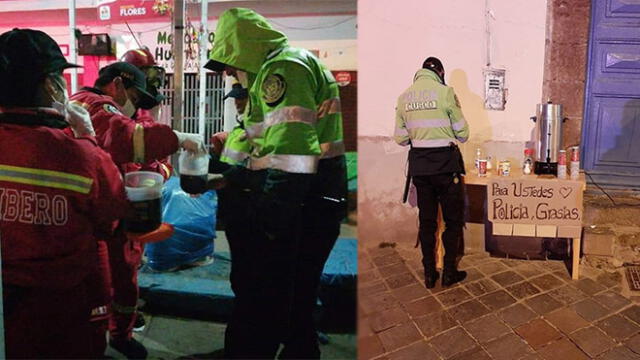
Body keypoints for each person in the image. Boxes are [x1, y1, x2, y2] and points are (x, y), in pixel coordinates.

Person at [205, 8, 347, 359]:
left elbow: (292, 155)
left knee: (265, 298)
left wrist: (268, 223)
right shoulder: (275, 71)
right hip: (310, 200)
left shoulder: (282, 69)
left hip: (300, 204)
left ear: (242, 51)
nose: (226, 72)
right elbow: (269, 145)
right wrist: (228, 172)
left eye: (226, 61)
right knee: (294, 301)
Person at [0, 28, 128, 358]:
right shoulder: (79, 154)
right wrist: (88, 137)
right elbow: (111, 214)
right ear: (47, 84)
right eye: (58, 77)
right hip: (67, 305)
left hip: (7, 307)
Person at [70, 61, 205, 358]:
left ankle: (116, 334)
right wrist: (179, 138)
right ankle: (113, 336)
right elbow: (124, 139)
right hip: (104, 215)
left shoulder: (90, 107)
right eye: (134, 97)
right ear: (117, 84)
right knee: (109, 281)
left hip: (104, 211)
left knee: (117, 279)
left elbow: (129, 155)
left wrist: (157, 169)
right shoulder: (95, 105)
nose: (136, 107)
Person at [394, 56, 469, 288]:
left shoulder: (404, 97)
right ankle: (448, 272)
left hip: (421, 169)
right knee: (452, 221)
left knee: (427, 222)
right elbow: (463, 133)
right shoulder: (445, 93)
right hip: (447, 167)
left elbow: (400, 138)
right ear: (441, 73)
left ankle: (429, 273)